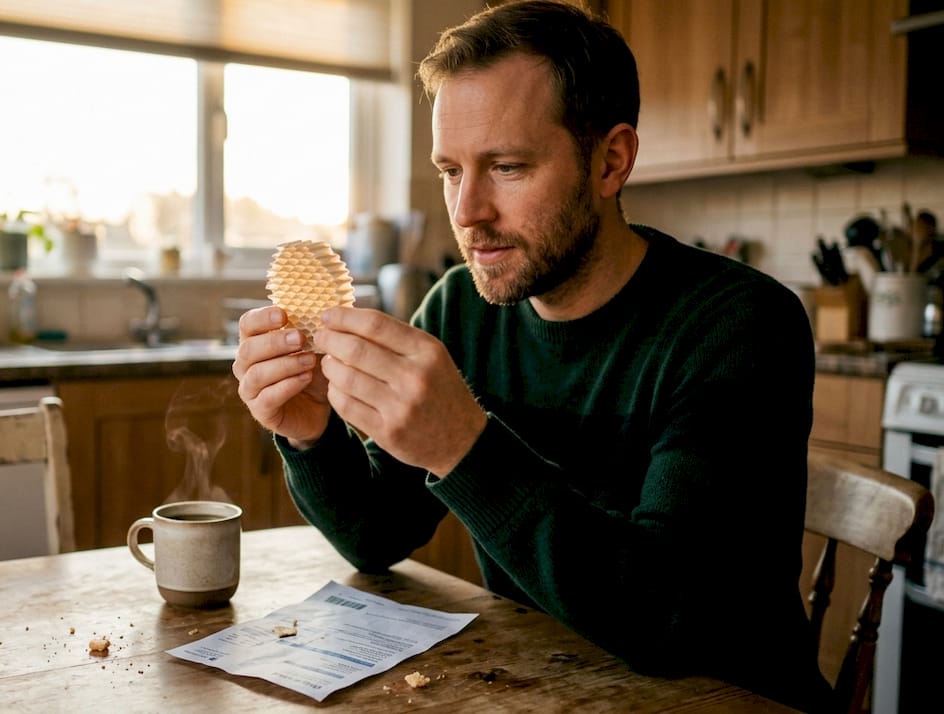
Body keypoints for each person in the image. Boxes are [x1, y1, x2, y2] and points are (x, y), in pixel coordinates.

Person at [232, 0, 829, 710]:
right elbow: (375, 535)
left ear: (610, 161)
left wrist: (463, 445)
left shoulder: (738, 326)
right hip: (547, 687)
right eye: (451, 170)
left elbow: (670, 622)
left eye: (507, 167)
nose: (466, 212)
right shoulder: (461, 310)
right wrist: (311, 434)